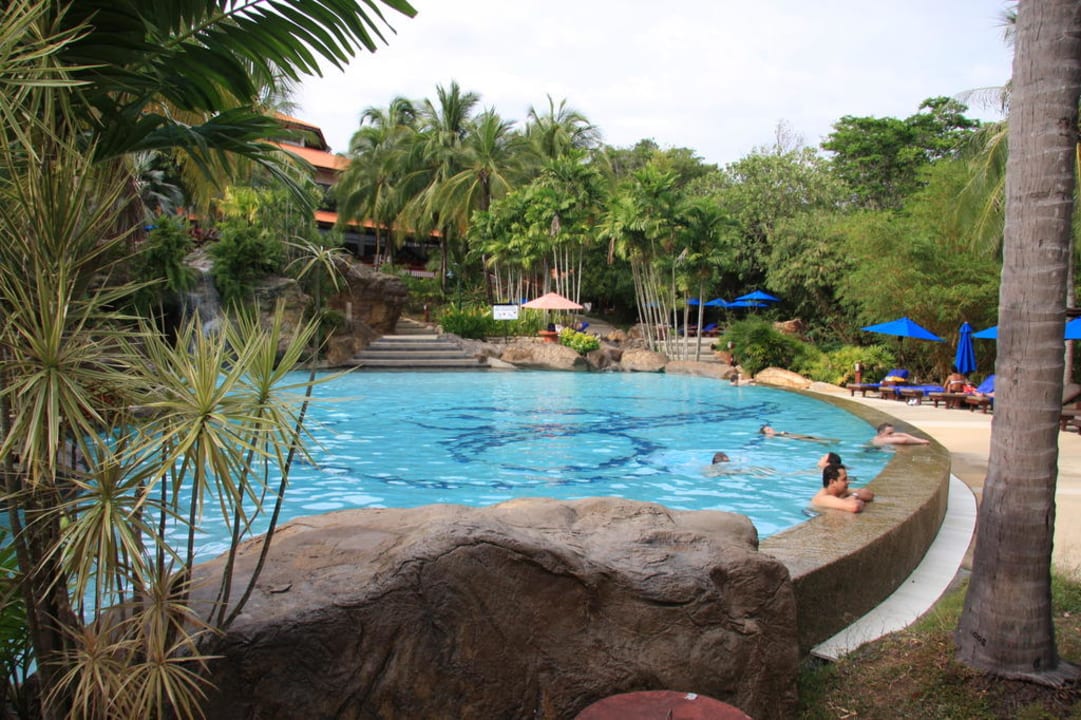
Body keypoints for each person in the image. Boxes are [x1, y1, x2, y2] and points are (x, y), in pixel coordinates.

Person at [759, 424, 834, 443]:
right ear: (766, 433)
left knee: (809, 436)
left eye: (770, 428)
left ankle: (829, 440)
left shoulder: (776, 432)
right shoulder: (771, 435)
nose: (771, 429)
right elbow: (769, 437)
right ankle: (822, 442)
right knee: (807, 439)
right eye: (768, 429)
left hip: (789, 435)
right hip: (789, 437)